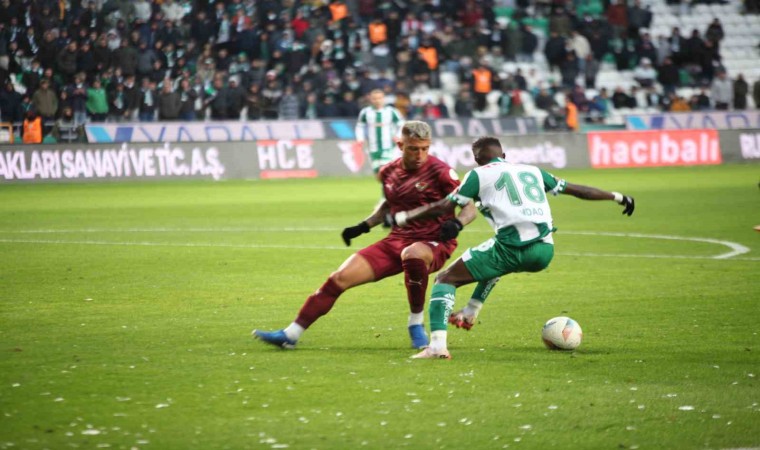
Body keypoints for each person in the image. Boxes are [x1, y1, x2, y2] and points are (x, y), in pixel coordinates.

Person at [388, 136, 635, 359]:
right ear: (504, 155)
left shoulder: (478, 175)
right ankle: (471, 311)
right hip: (544, 251)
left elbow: (445, 206)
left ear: (477, 160)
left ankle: (437, 347)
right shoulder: (533, 171)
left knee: (445, 279)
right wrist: (617, 196)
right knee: (494, 259)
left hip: (511, 247)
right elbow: (578, 190)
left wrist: (404, 217)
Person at [253, 121, 475, 350]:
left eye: (424, 148)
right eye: (413, 149)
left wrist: (457, 223)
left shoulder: (441, 172)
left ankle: (415, 323)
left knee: (413, 255)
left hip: (433, 241)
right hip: (397, 239)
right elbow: (390, 204)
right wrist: (363, 226)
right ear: (400, 145)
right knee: (339, 278)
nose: (420, 155)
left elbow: (469, 208)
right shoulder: (388, 172)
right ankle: (290, 334)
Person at [355, 89, 405, 177]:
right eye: (375, 98)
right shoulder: (365, 112)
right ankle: (388, 184)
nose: (377, 101)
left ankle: (391, 184)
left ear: (383, 99)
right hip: (372, 147)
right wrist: (360, 138)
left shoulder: (391, 111)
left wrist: (397, 136)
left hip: (388, 146)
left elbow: (402, 124)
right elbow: (359, 126)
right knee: (377, 172)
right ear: (371, 99)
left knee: (385, 169)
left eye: (379, 98)